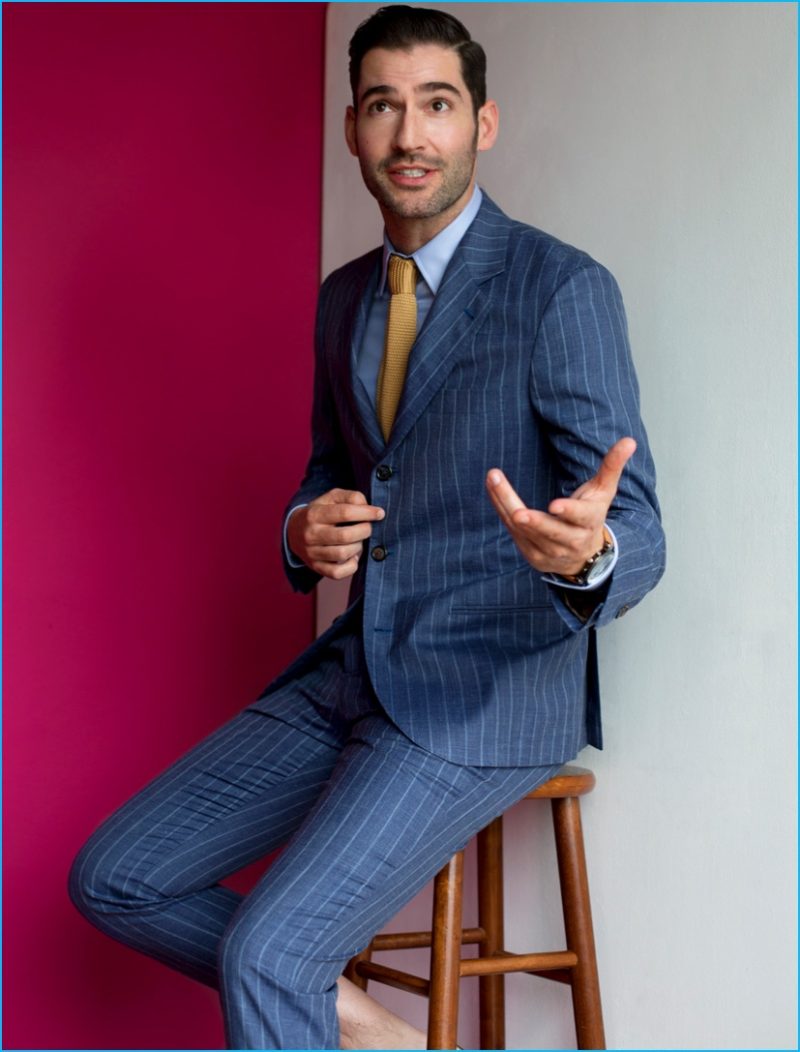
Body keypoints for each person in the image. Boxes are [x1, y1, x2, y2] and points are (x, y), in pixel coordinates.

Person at [69, 6, 665, 1049]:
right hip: (349, 672)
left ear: (482, 123)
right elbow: (330, 474)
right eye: (384, 106)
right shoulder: (344, 298)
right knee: (114, 875)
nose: (409, 135)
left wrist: (589, 556)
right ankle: (350, 1018)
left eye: (435, 104)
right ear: (351, 128)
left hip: (484, 688)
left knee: (267, 953)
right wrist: (303, 530)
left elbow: (635, 522)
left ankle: (298, 990)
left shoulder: (557, 287)